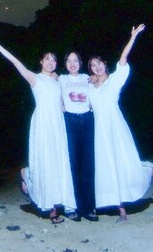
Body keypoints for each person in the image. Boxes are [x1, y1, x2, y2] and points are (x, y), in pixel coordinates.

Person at [0, 32, 75, 223]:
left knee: (59, 161)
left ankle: (61, 199)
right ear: (41, 61)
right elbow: (16, 62)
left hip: (58, 123)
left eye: (54, 60)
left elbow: (63, 106)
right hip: (42, 123)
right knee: (45, 161)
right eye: (47, 59)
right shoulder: (34, 78)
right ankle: (51, 209)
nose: (51, 62)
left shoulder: (57, 80)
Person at [88, 24, 153, 222]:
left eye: (99, 63)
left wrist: (133, 37)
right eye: (93, 65)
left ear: (105, 64)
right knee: (109, 168)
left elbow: (123, 59)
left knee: (125, 163)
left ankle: (150, 170)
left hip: (116, 127)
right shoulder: (89, 86)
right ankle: (121, 211)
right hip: (100, 131)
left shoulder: (115, 80)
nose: (97, 67)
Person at [60, 50, 98, 222]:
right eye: (69, 61)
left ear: (81, 63)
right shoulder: (61, 79)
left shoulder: (87, 78)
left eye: (75, 60)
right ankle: (72, 206)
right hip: (69, 121)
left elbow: (99, 85)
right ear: (65, 63)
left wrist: (95, 78)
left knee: (88, 165)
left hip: (87, 120)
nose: (72, 64)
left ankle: (89, 207)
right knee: (72, 165)